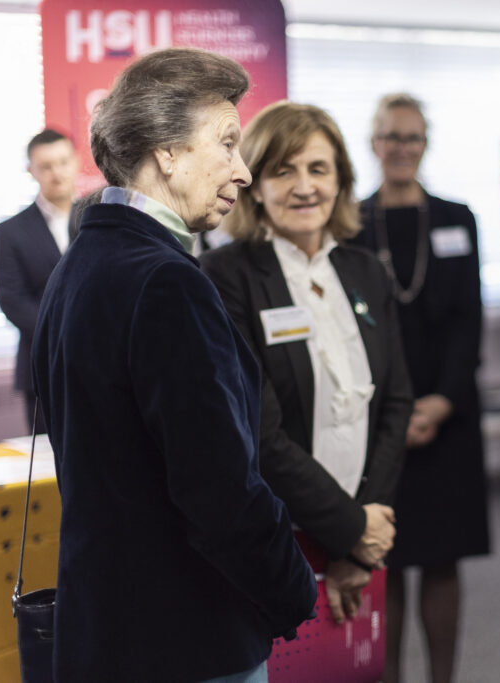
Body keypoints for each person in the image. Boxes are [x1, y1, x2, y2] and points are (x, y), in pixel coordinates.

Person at [30, 48, 317, 682]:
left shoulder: (79, 266)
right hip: (184, 638)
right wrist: (295, 588)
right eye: (227, 144)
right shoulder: (164, 282)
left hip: (104, 631)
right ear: (167, 151)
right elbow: (218, 488)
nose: (241, 172)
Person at [201, 101, 413, 627]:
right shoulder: (225, 275)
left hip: (365, 526)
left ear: (340, 179)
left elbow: (395, 400)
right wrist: (349, 530)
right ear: (253, 182)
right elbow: (260, 431)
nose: (304, 186)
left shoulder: (365, 270)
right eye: (283, 170)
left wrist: (369, 523)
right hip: (278, 537)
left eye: (318, 169)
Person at [350, 93, 491, 683]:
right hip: (378, 418)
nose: (400, 147)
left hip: (448, 413)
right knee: (387, 558)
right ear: (373, 143)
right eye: (390, 136)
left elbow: (468, 319)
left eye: (411, 137)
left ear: (425, 144)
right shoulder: (350, 222)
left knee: (441, 558)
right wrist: (396, 411)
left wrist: (442, 401)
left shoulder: (457, 217)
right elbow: (352, 330)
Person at [0, 128, 77, 433]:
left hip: (101, 364)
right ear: (32, 171)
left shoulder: (101, 219)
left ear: (76, 161)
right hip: (43, 365)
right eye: (46, 166)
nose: (57, 173)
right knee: (47, 464)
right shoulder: (10, 232)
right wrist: (65, 333)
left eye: (63, 162)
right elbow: (12, 300)